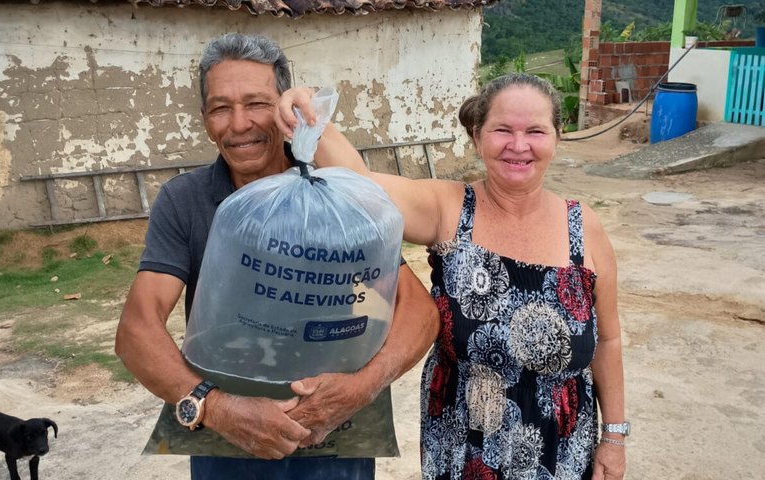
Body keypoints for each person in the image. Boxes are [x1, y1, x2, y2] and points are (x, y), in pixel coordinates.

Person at [115, 32, 439, 480]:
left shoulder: (333, 195)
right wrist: (217, 407)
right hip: (226, 442)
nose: (239, 124)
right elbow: (136, 328)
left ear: (285, 106)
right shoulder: (185, 200)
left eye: (257, 103)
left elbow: (418, 311)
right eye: (220, 108)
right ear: (205, 117)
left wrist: (361, 386)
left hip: (336, 441)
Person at [278, 73, 628, 479]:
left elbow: (608, 338)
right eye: (502, 130)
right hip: (464, 445)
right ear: (477, 137)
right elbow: (361, 185)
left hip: (563, 448)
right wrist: (309, 110)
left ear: (556, 137)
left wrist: (615, 438)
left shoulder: (583, 228)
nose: (519, 145)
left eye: (535, 130)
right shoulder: (448, 209)